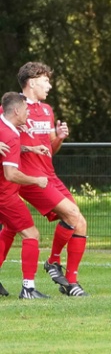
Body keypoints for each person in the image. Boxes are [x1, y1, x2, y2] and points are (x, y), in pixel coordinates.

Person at [11, 62, 88, 296]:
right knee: (73, 215)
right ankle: (52, 264)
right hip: (30, 179)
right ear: (32, 82)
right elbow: (7, 143)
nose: (50, 85)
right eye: (46, 80)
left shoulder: (47, 110)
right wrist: (28, 150)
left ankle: (69, 280)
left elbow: (50, 149)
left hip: (49, 174)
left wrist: (60, 138)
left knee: (80, 222)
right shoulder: (14, 109)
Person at [0, 92, 52, 299]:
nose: (29, 112)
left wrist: (29, 148)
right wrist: (36, 181)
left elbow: (10, 149)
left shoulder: (5, 127)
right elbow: (11, 174)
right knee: (32, 235)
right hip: (6, 196)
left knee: (10, 231)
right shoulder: (10, 134)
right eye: (26, 108)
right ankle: (28, 289)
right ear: (16, 110)